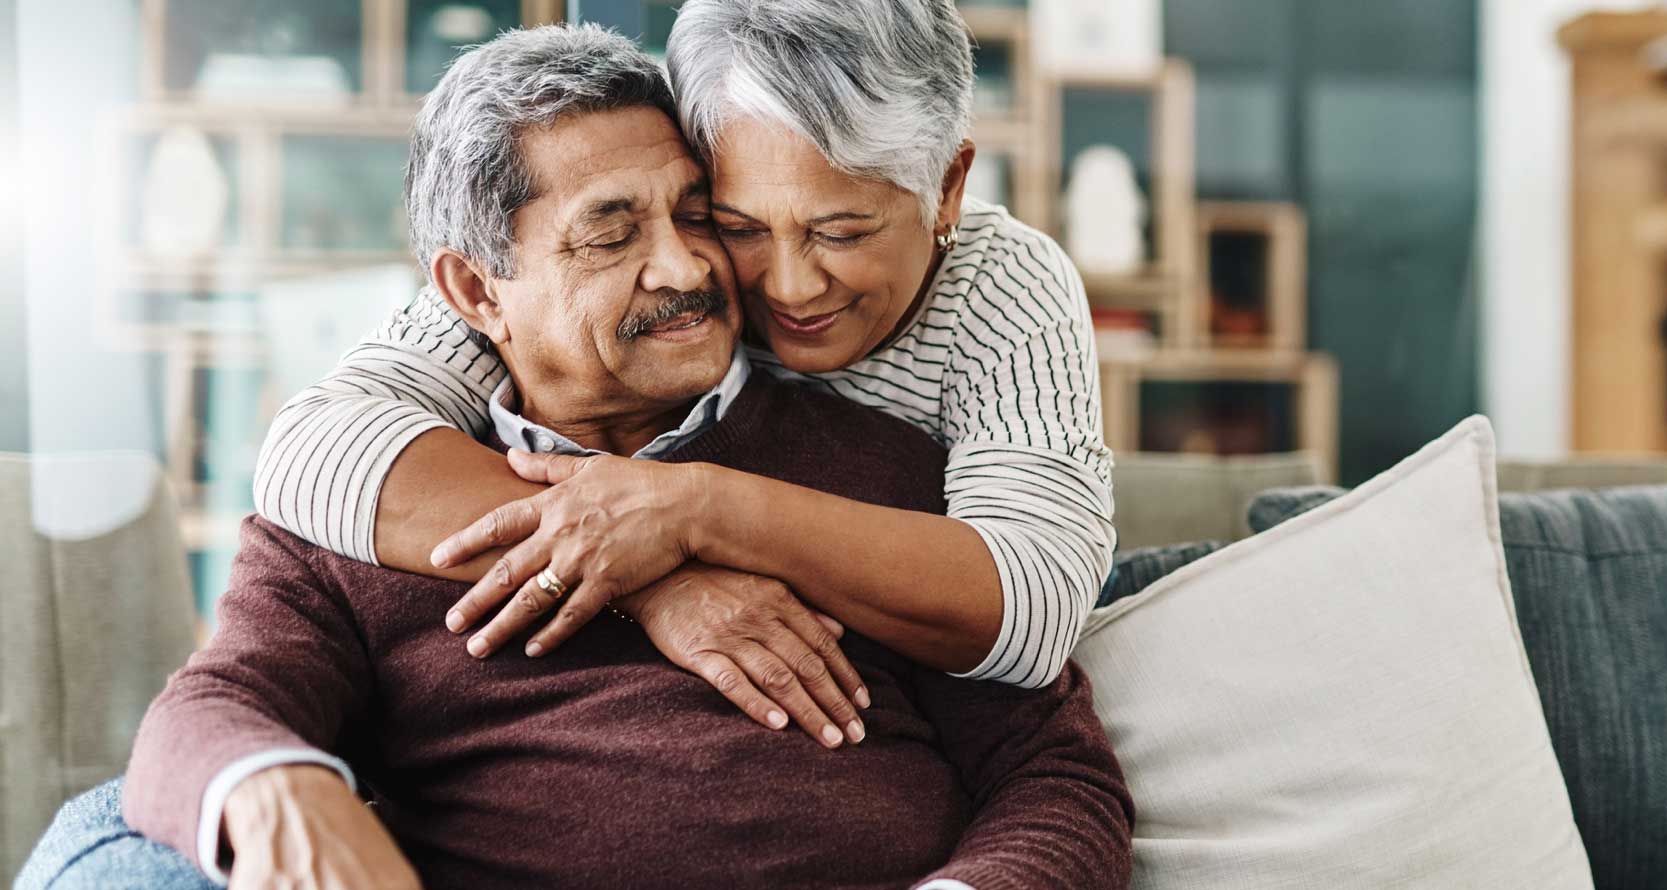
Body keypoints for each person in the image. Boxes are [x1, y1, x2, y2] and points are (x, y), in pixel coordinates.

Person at [16, 26, 1131, 888]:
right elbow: (204, 714)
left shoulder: (880, 473)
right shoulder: (367, 506)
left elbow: (1054, 770)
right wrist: (276, 789)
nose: (687, 267)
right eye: (610, 235)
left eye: (699, 214)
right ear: (471, 292)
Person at [253, 0, 1114, 742]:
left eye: (841, 232)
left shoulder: (1003, 285)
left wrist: (696, 509)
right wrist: (656, 571)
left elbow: (1034, 609)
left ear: (949, 188)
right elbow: (311, 450)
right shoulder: (609, 276)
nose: (787, 285)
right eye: (735, 223)